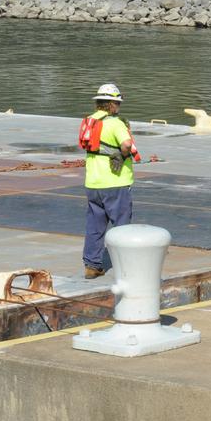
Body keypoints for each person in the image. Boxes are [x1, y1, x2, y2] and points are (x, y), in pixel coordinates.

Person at [78, 83, 141, 279]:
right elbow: (127, 144)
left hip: (93, 183)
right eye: (118, 104)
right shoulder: (115, 123)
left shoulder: (89, 121)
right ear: (112, 104)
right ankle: (125, 266)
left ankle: (91, 265)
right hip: (115, 183)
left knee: (95, 226)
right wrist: (121, 156)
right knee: (122, 227)